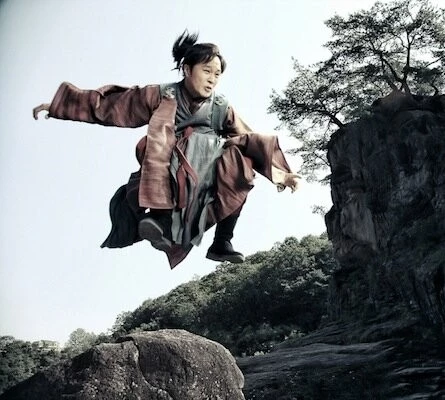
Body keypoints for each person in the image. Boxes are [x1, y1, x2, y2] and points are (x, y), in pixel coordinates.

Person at [33, 31, 299, 268]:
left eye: (217, 75)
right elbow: (112, 107)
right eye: (207, 71)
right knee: (182, 151)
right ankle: (160, 220)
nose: (212, 80)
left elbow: (249, 138)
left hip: (209, 171)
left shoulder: (220, 107)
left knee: (242, 163)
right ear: (187, 69)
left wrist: (282, 175)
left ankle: (222, 242)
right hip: (169, 164)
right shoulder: (162, 95)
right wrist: (57, 107)